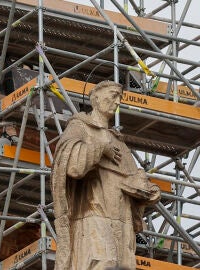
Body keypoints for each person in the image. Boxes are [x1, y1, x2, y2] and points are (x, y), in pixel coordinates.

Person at [51, 81, 161, 270]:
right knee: (101, 262)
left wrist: (148, 190)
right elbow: (70, 164)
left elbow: (133, 177)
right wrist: (100, 148)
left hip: (121, 217)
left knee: (122, 264)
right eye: (113, 95)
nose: (117, 101)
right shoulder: (80, 127)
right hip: (92, 211)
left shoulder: (120, 143)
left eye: (120, 97)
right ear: (96, 98)